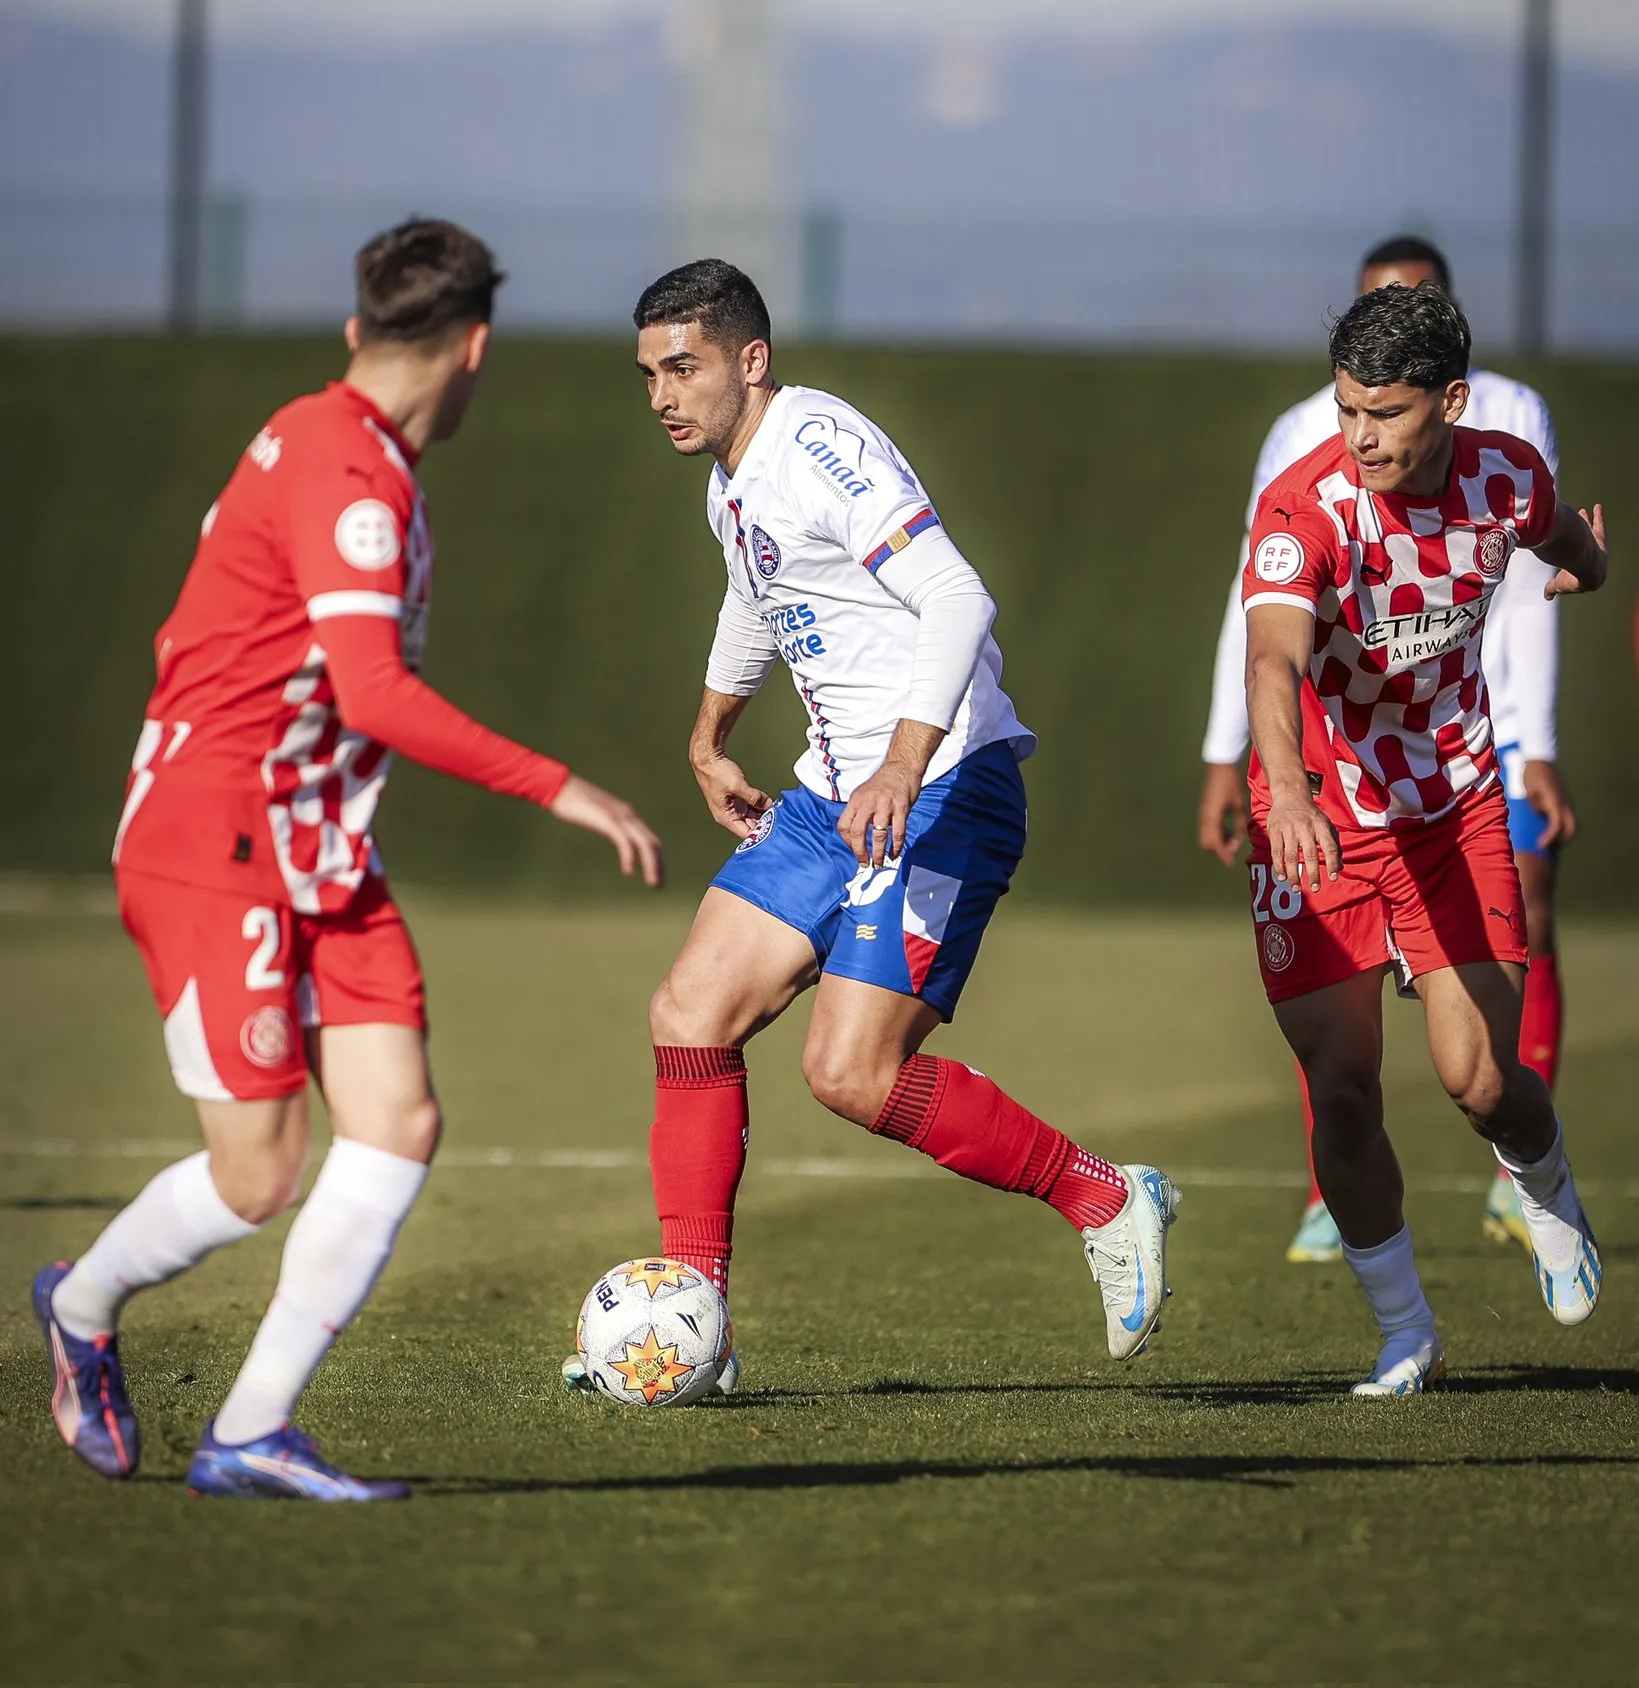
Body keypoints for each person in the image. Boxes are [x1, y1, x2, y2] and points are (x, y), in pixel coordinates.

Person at [34, 218, 664, 1500]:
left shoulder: (363, 453)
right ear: (476, 346)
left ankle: (251, 1429)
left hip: (317, 845)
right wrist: (559, 784)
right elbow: (373, 693)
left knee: (395, 1120)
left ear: (357, 330)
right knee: (258, 1171)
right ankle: (82, 1306)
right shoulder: (343, 470)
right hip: (216, 837)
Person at [564, 257, 1180, 1394]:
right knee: (689, 1010)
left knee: (849, 1073)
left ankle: (1105, 1193)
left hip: (944, 782)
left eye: (683, 366)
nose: (661, 392)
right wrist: (707, 740)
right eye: (648, 371)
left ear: (751, 359)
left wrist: (901, 763)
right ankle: (697, 1327)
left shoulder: (815, 443)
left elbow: (957, 595)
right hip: (832, 794)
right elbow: (755, 602)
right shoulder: (730, 483)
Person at [1242, 276, 1605, 1396]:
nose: (1359, 436)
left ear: (1449, 400)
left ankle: (1543, 1184)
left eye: (1385, 413)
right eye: (1346, 408)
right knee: (1342, 1084)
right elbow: (1271, 660)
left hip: (1453, 805)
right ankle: (1405, 1329)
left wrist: (1583, 564)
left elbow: (1561, 536)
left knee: (1482, 1078)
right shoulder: (1310, 507)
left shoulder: (1507, 473)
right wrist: (1292, 789)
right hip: (1317, 822)